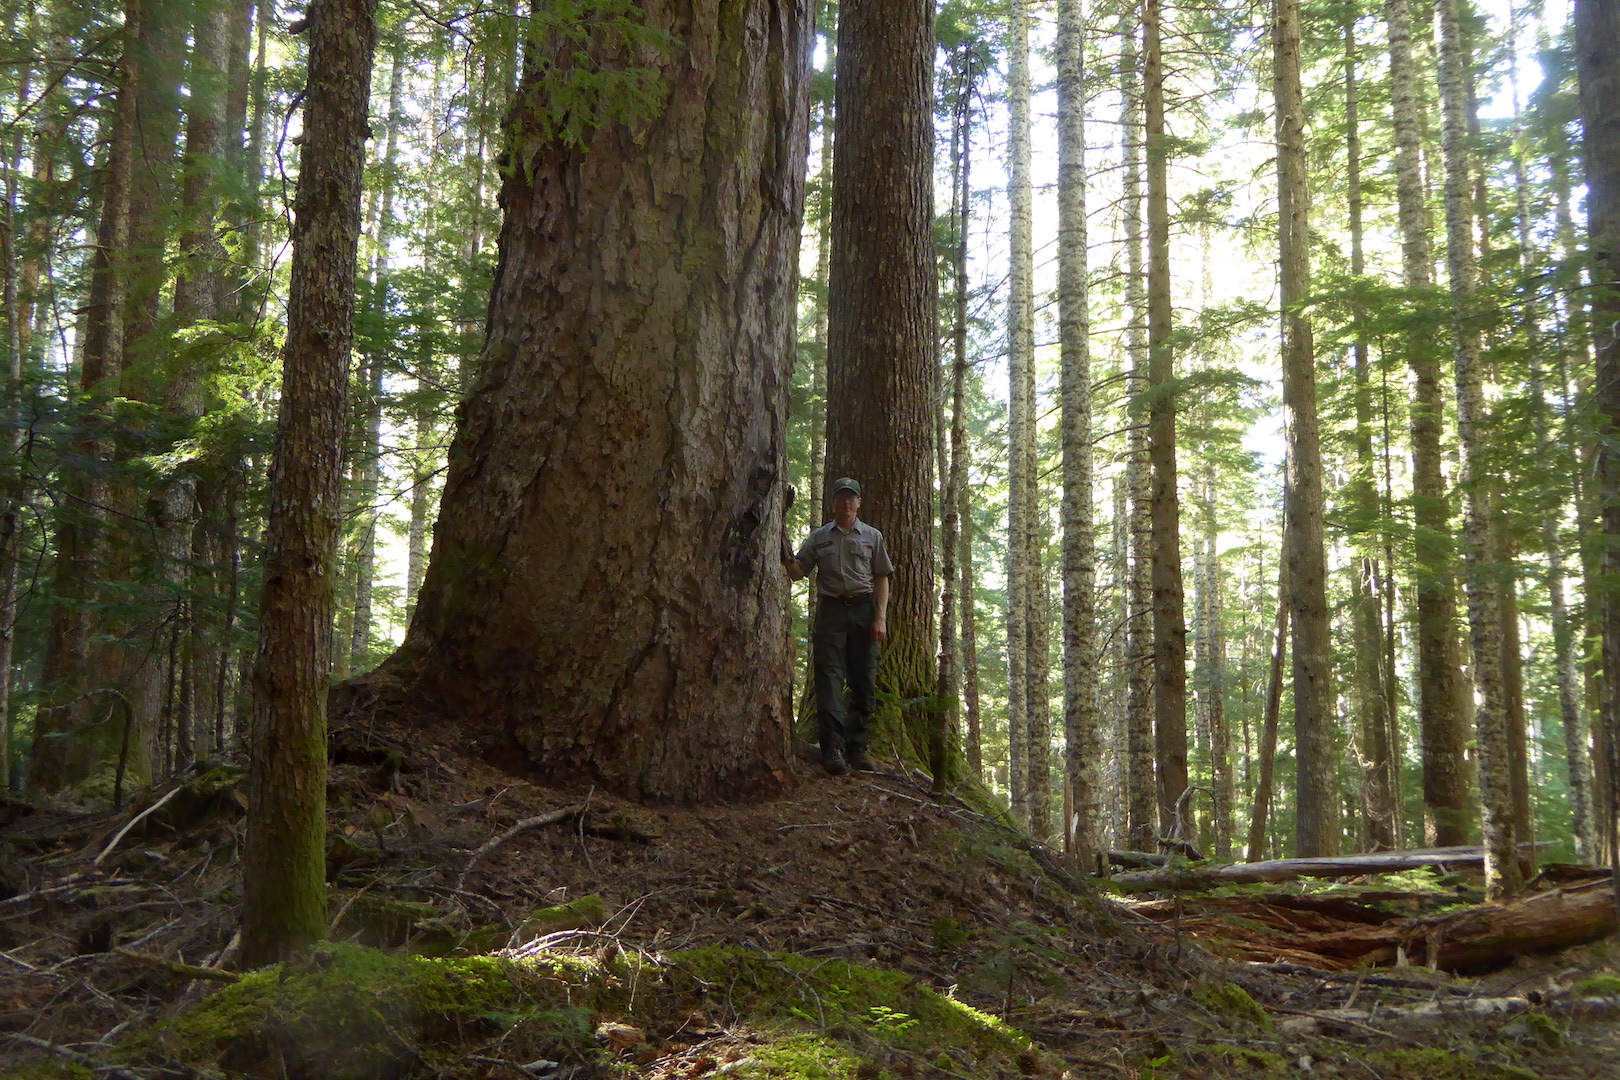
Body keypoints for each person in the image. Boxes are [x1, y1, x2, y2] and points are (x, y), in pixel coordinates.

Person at [786, 477, 893, 775]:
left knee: (864, 677)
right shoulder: (820, 537)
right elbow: (797, 571)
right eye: (841, 497)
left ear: (859, 502)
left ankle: (857, 746)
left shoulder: (872, 536)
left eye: (852, 497)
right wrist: (781, 544)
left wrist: (880, 616)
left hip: (863, 609)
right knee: (829, 677)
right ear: (833, 502)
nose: (847, 502)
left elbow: (882, 576)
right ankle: (832, 746)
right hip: (831, 611)